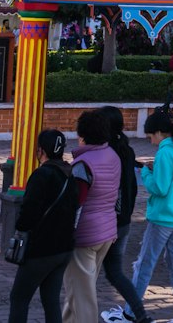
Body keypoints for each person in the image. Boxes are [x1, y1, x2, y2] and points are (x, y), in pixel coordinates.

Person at [129, 108, 173, 323]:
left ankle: (130, 313)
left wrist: (146, 172)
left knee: (144, 265)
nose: (151, 141)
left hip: (163, 217)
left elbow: (159, 187)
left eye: (151, 137)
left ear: (159, 132)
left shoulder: (165, 153)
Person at [8, 129, 79, 323]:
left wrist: (20, 228)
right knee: (51, 300)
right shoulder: (69, 174)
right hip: (63, 248)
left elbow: (28, 214)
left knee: (19, 298)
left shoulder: (41, 175)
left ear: (41, 151)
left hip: (41, 249)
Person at [62, 109, 121, 323]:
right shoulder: (112, 156)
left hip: (85, 235)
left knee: (82, 296)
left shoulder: (82, 164)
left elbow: (74, 204)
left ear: (82, 135)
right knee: (78, 291)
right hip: (106, 232)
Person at [98, 107, 143, 323]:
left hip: (106, 223)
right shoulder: (127, 150)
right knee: (114, 272)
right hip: (123, 220)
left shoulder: (107, 153)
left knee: (85, 272)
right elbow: (132, 189)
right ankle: (141, 315)